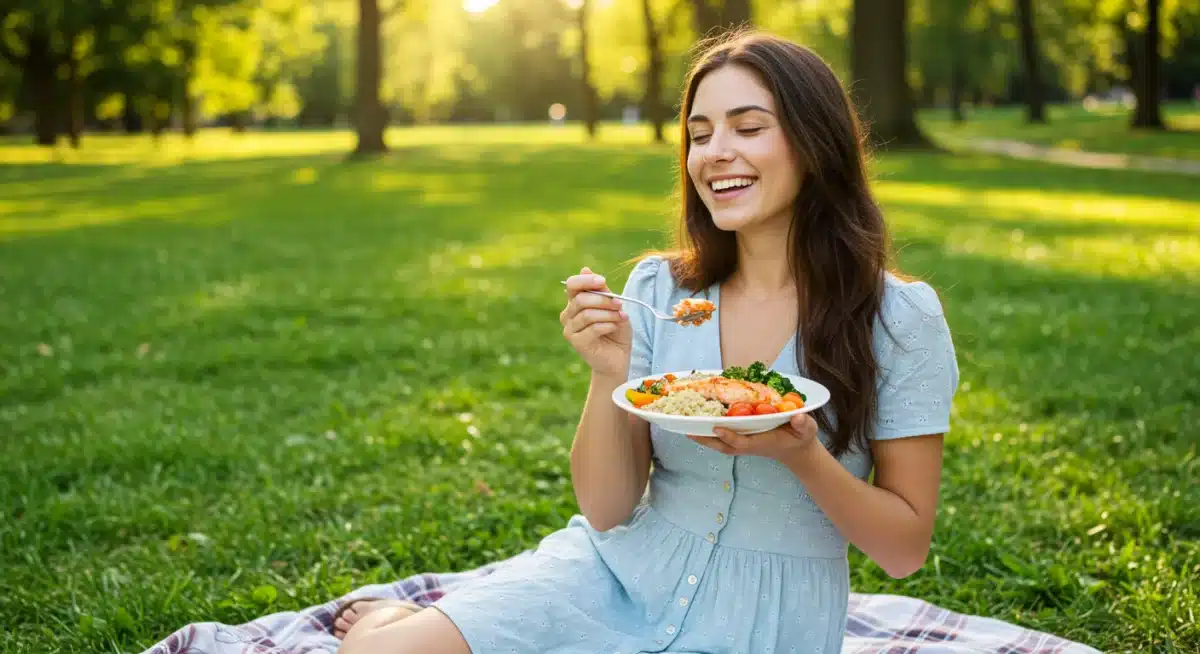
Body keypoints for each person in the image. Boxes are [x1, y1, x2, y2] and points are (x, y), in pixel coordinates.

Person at [333, 30, 959, 654]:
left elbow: (903, 550)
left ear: (815, 144)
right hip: (618, 571)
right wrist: (608, 375)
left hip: (765, 616)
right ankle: (399, 626)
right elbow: (607, 510)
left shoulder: (898, 316)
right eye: (700, 132)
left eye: (748, 128)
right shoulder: (661, 289)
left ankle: (411, 619)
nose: (715, 152)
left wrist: (802, 455)